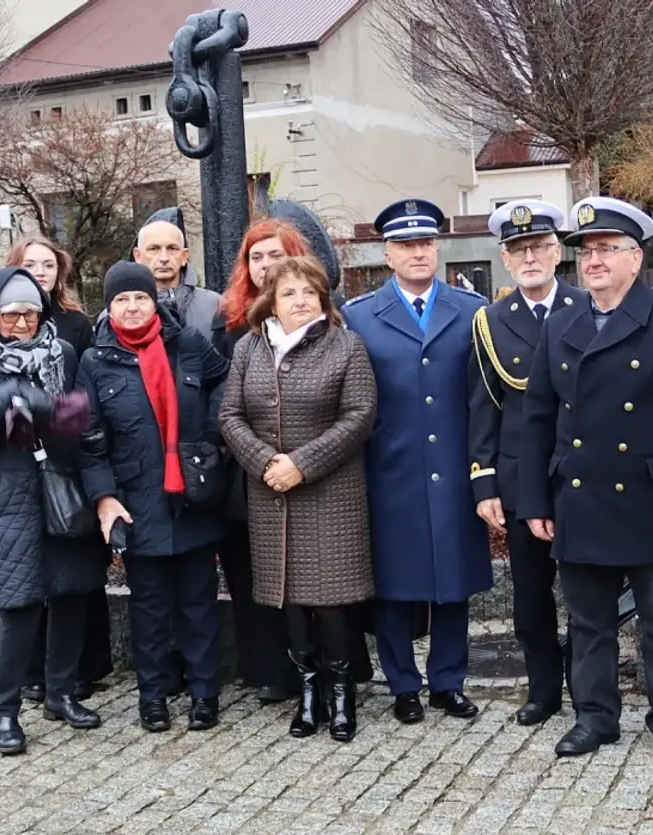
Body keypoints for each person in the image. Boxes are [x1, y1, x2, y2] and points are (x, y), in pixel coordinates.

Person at [518, 197, 653, 764]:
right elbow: (536, 419)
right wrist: (535, 498)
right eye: (587, 251)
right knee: (588, 623)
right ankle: (595, 716)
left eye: (608, 249)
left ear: (637, 259)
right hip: (580, 497)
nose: (595, 261)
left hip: (652, 500)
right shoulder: (561, 325)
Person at [0, 267, 109, 754]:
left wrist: (60, 413)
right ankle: (6, 712)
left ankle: (60, 693)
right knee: (18, 609)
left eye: (31, 313)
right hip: (7, 502)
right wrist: (8, 395)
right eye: (11, 314)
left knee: (71, 595)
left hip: (63, 491)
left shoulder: (64, 352)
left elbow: (81, 418)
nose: (22, 324)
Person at [341, 197, 491, 724]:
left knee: (453, 582)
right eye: (406, 244)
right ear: (387, 253)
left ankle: (448, 682)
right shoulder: (357, 318)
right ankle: (402, 683)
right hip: (390, 472)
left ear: (438, 247)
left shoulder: (473, 312)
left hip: (453, 468)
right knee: (393, 584)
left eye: (425, 242)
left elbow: (483, 397)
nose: (418, 252)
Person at [221, 255, 378, 741]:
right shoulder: (250, 348)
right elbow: (229, 416)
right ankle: (308, 691)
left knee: (330, 600)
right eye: (289, 293)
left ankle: (340, 692)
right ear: (271, 300)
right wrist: (266, 461)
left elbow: (359, 416)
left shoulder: (346, 346)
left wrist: (302, 464)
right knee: (288, 599)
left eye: (309, 292)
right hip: (271, 493)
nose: (300, 301)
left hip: (330, 492)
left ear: (323, 299)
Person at [80, 262, 229, 733]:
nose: (131, 306)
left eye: (139, 297)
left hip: (193, 496)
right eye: (121, 299)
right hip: (137, 500)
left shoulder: (186, 343)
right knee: (148, 609)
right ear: (108, 308)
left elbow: (223, 386)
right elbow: (87, 440)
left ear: (154, 300)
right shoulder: (94, 361)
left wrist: (209, 444)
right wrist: (104, 497)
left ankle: (205, 694)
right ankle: (154, 696)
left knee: (198, 606)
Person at [468, 199, 584, 726]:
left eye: (538, 246)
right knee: (531, 596)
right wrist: (485, 483)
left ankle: (588, 686)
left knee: (587, 592)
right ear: (505, 261)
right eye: (519, 250)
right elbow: (483, 408)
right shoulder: (491, 321)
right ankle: (542, 691)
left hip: (584, 476)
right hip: (521, 480)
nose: (530, 257)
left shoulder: (587, 307)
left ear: (557, 251)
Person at [5, 235, 110, 700]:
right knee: (26, 584)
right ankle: (28, 675)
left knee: (73, 580)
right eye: (31, 264)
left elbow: (80, 406)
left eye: (48, 264)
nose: (40, 271)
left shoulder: (71, 331)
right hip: (13, 475)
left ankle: (73, 675)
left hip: (62, 468)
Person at [135, 220, 223, 340]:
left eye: (172, 248)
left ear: (184, 256)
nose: (164, 258)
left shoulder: (215, 305)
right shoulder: (119, 311)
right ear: (138, 256)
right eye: (154, 249)